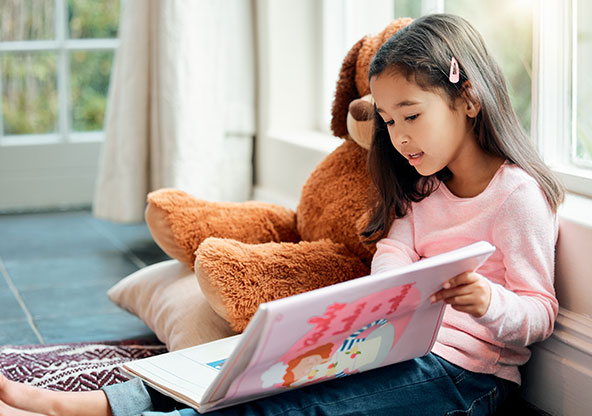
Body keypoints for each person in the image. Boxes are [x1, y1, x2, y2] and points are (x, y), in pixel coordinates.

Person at [0, 13, 564, 416]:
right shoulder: (420, 185)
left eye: (411, 115)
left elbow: (538, 312)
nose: (398, 137)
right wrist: (388, 291)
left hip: (463, 379)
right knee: (241, 367)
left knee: (297, 405)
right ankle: (88, 406)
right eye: (388, 122)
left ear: (468, 99)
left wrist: (489, 302)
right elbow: (395, 249)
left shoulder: (516, 196)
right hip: (385, 342)